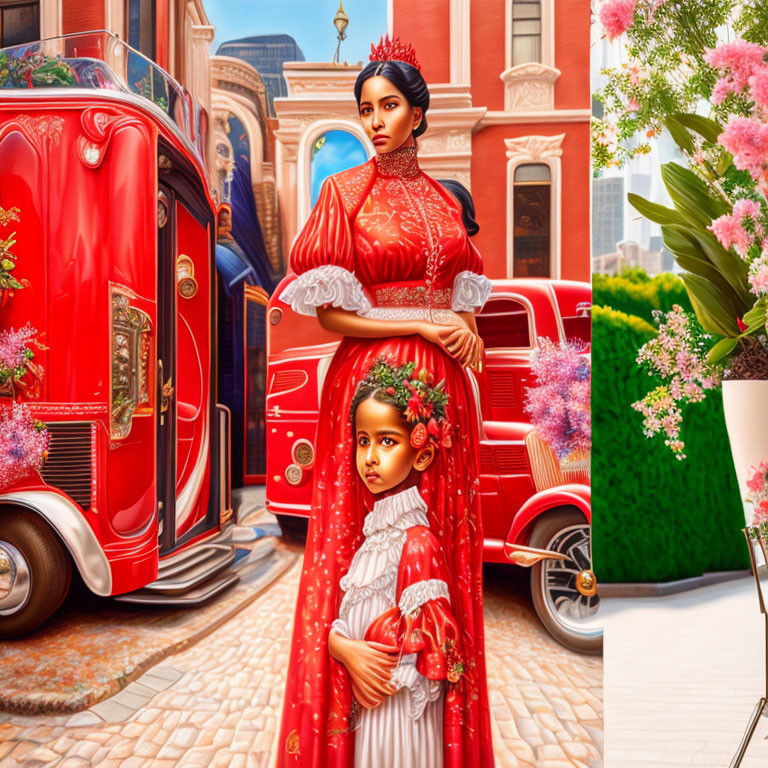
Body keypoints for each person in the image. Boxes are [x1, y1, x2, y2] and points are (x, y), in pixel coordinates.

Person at [277, 35, 494, 768]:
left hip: (445, 401)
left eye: (389, 106)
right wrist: (420, 323)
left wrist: (466, 333)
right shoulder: (342, 194)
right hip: (367, 389)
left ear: (417, 113)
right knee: (355, 548)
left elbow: (460, 303)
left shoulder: (444, 201)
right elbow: (331, 317)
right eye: (365, 108)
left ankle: (436, 737)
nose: (375, 121)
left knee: (439, 558)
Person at [328, 359, 463, 768]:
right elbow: (349, 615)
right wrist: (342, 648)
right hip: (373, 712)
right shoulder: (376, 538)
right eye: (362, 441)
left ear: (421, 457)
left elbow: (434, 645)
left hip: (401, 715)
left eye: (386, 442)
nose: (370, 457)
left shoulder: (416, 541)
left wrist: (388, 670)